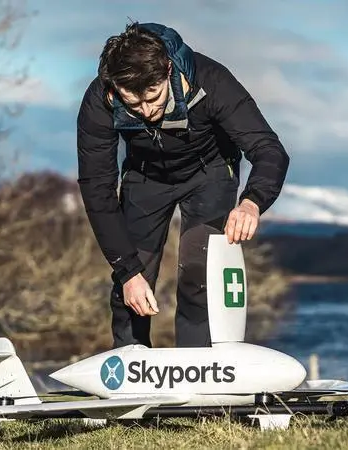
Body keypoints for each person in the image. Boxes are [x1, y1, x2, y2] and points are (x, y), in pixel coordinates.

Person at [76, 21, 289, 349]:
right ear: (115, 87)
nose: (147, 112)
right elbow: (97, 189)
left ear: (168, 70)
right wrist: (127, 271)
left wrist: (252, 202)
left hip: (210, 174)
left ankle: (198, 368)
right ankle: (131, 363)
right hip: (145, 178)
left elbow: (269, 149)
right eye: (133, 104)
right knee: (131, 283)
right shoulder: (99, 101)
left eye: (153, 97)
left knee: (198, 278)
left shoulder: (212, 81)